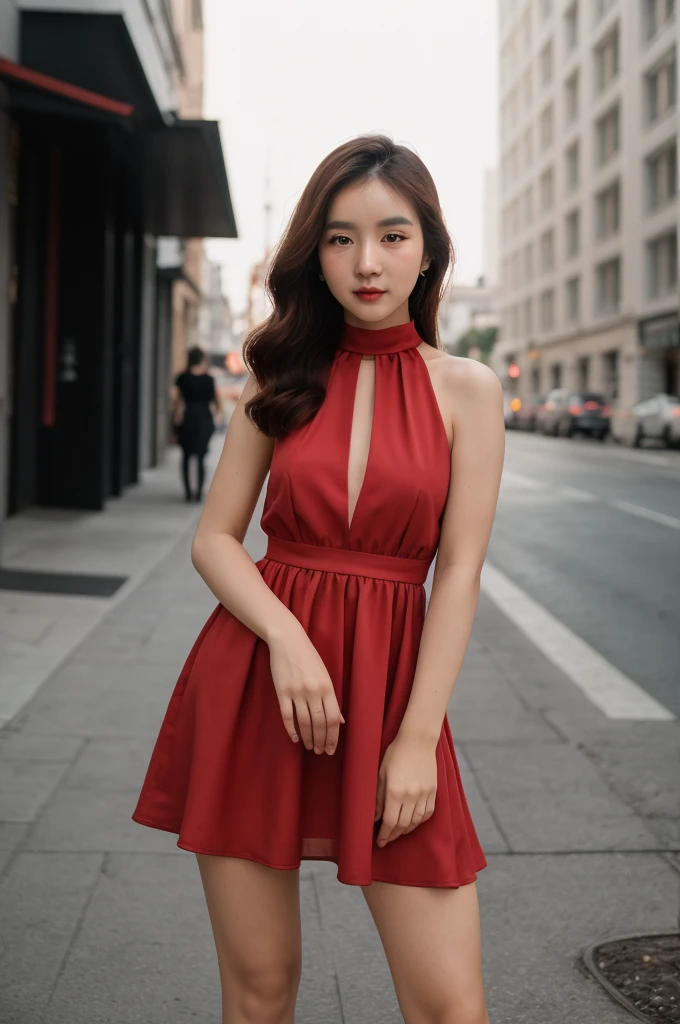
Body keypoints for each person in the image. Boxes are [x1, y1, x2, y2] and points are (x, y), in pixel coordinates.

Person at [132, 134, 505, 1024]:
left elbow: (457, 572)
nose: (366, 262)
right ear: (315, 252)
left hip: (389, 696)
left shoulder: (469, 391)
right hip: (260, 682)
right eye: (340, 238)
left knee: (451, 1005)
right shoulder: (280, 371)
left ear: (429, 249)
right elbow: (217, 538)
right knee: (260, 995)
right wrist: (288, 641)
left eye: (392, 235)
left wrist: (416, 740)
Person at [173, 346, 221, 502]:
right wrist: (219, 416)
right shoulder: (209, 379)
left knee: (186, 456)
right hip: (204, 420)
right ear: (201, 360)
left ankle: (188, 493)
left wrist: (175, 418)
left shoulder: (182, 378)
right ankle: (199, 493)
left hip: (188, 419)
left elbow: (178, 401)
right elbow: (216, 401)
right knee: (201, 457)